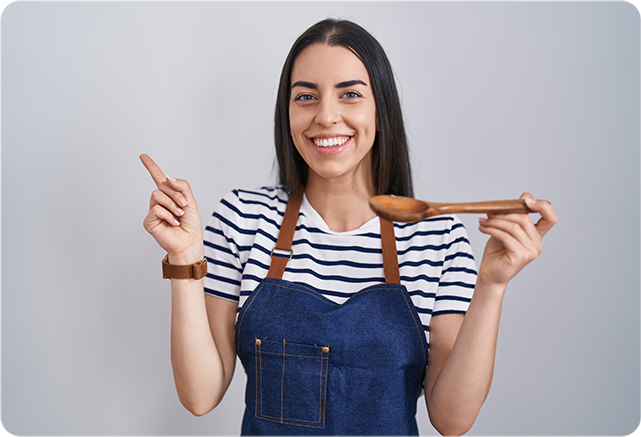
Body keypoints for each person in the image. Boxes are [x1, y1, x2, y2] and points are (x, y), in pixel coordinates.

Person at [141, 18, 557, 437]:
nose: (325, 116)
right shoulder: (242, 218)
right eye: (306, 96)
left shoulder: (439, 239)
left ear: (380, 109)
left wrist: (492, 286)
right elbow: (200, 395)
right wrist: (184, 257)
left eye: (350, 94)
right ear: (286, 112)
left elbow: (452, 419)